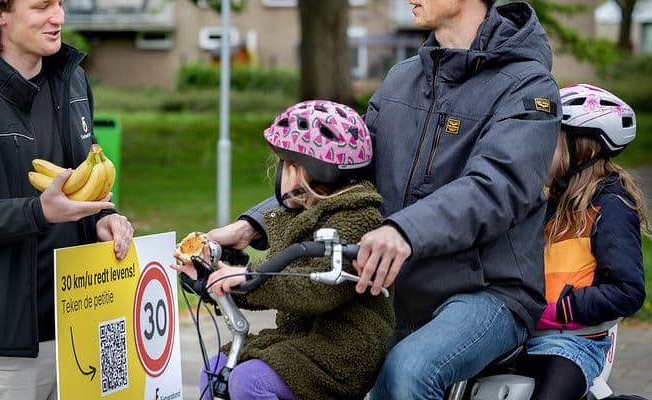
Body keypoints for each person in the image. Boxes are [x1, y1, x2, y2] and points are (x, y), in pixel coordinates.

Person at [210, 1, 562, 398]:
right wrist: (254, 225)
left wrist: (404, 230)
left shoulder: (528, 87)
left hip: (487, 291)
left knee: (409, 369)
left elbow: (497, 186)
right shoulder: (402, 79)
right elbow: (344, 171)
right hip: (396, 290)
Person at [0, 1, 133, 398]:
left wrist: (104, 215)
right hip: (3, 341)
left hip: (80, 320)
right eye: (41, 6)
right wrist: (37, 212)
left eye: (60, 3)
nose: (59, 17)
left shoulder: (74, 81)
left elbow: (84, 176)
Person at [175, 100, 393, 400]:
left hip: (342, 350)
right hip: (298, 339)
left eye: (288, 165)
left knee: (250, 383)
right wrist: (213, 281)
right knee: (214, 371)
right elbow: (271, 279)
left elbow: (317, 290)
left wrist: (247, 277)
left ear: (316, 171)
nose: (278, 173)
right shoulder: (297, 216)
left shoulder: (359, 218)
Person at [519, 84, 652, 400]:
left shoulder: (611, 207)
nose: (537, 151)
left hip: (574, 343)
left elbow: (628, 291)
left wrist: (564, 310)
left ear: (583, 150)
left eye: (549, 142)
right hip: (523, 334)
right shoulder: (545, 206)